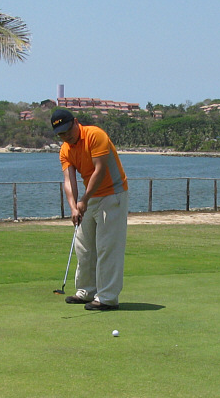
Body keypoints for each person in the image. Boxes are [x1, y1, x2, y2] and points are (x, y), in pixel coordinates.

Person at [51, 108, 128, 311]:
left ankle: (108, 298)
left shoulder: (95, 134)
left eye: (68, 130)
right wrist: (74, 206)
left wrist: (84, 199)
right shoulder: (65, 149)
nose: (66, 136)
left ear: (76, 122)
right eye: (61, 134)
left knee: (107, 247)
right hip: (91, 196)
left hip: (113, 195)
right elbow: (69, 180)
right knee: (84, 247)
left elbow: (100, 170)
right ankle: (86, 291)